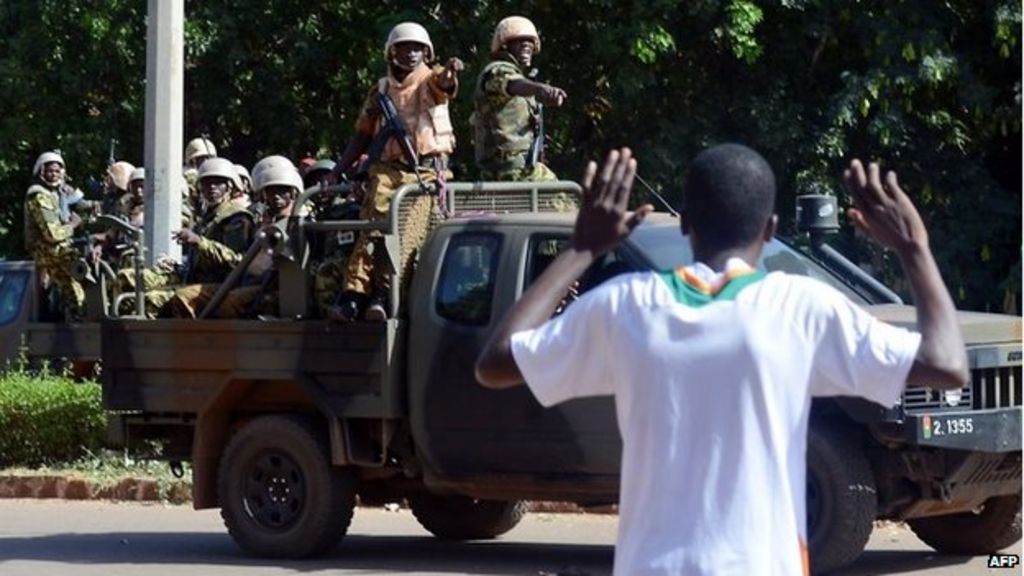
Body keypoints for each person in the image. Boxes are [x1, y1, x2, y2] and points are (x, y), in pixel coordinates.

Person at [475, 146, 968, 576]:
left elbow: (495, 363)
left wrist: (580, 249)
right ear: (771, 229)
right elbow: (946, 364)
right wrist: (914, 248)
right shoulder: (802, 308)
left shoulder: (624, 306)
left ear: (686, 221)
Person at [329, 21, 464, 322]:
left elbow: (445, 84)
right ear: (391, 53)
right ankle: (353, 294)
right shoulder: (380, 90)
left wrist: (451, 71)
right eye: (404, 47)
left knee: (405, 233)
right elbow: (362, 135)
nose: (411, 53)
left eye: (417, 48)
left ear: (427, 53)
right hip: (387, 171)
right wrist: (337, 171)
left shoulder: (432, 80)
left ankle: (384, 295)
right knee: (371, 230)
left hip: (425, 175)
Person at [473, 16, 566, 182]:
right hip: (507, 171)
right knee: (568, 202)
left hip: (521, 169)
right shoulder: (496, 70)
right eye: (518, 41)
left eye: (529, 41)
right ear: (504, 46)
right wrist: (540, 89)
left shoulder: (523, 78)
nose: (526, 45)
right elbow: (512, 84)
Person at [23, 151, 87, 319]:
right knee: (81, 273)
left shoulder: (56, 194)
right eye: (50, 171)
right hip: (48, 251)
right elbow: (53, 234)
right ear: (41, 171)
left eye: (58, 171)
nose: (54, 175)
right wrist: (73, 225)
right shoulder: (39, 195)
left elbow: (82, 205)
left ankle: (75, 318)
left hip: (54, 252)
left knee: (72, 288)